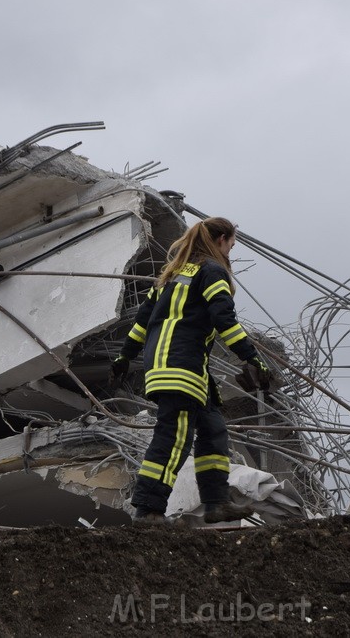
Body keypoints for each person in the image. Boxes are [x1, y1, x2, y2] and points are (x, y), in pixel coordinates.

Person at [111, 217, 272, 524]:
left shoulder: (169, 278)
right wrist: (253, 359)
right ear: (221, 240)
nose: (230, 252)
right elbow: (225, 319)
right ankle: (148, 511)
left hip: (173, 368)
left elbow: (141, 326)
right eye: (231, 246)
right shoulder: (211, 271)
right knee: (173, 439)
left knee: (213, 430)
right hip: (181, 368)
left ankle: (216, 503)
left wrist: (123, 358)